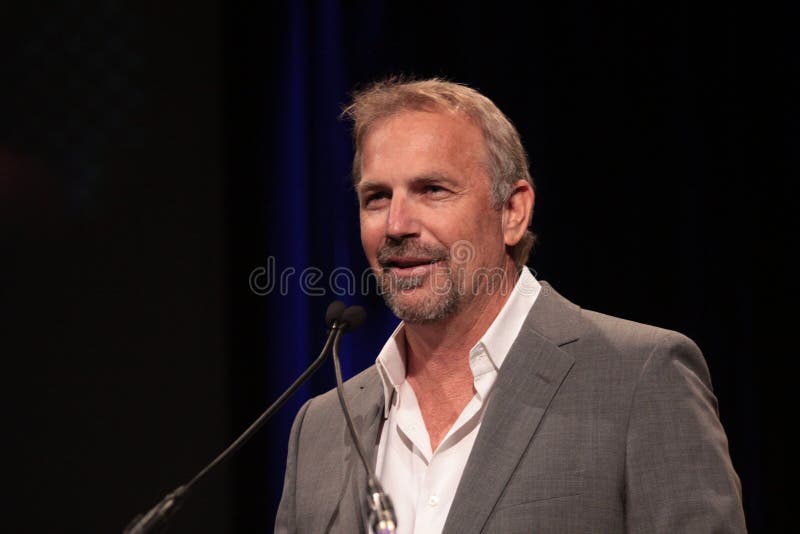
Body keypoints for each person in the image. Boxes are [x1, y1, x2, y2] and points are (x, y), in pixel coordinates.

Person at [275, 78, 746, 533]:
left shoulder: (639, 376)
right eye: (376, 197)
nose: (396, 224)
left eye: (432, 190)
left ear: (512, 212)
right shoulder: (321, 425)